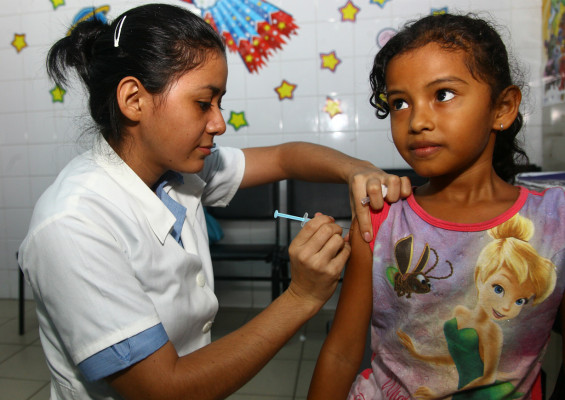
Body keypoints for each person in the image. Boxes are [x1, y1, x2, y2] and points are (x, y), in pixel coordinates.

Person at [17, 4, 411, 400]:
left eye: (219, 103)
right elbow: (164, 389)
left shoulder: (181, 170)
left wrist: (357, 169)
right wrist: (301, 297)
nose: (219, 123)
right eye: (203, 103)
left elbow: (284, 157)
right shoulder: (72, 225)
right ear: (134, 99)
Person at [308, 13, 565, 400]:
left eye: (443, 94)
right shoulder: (380, 217)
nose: (417, 121)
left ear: (503, 108)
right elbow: (343, 352)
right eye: (400, 103)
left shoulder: (555, 222)